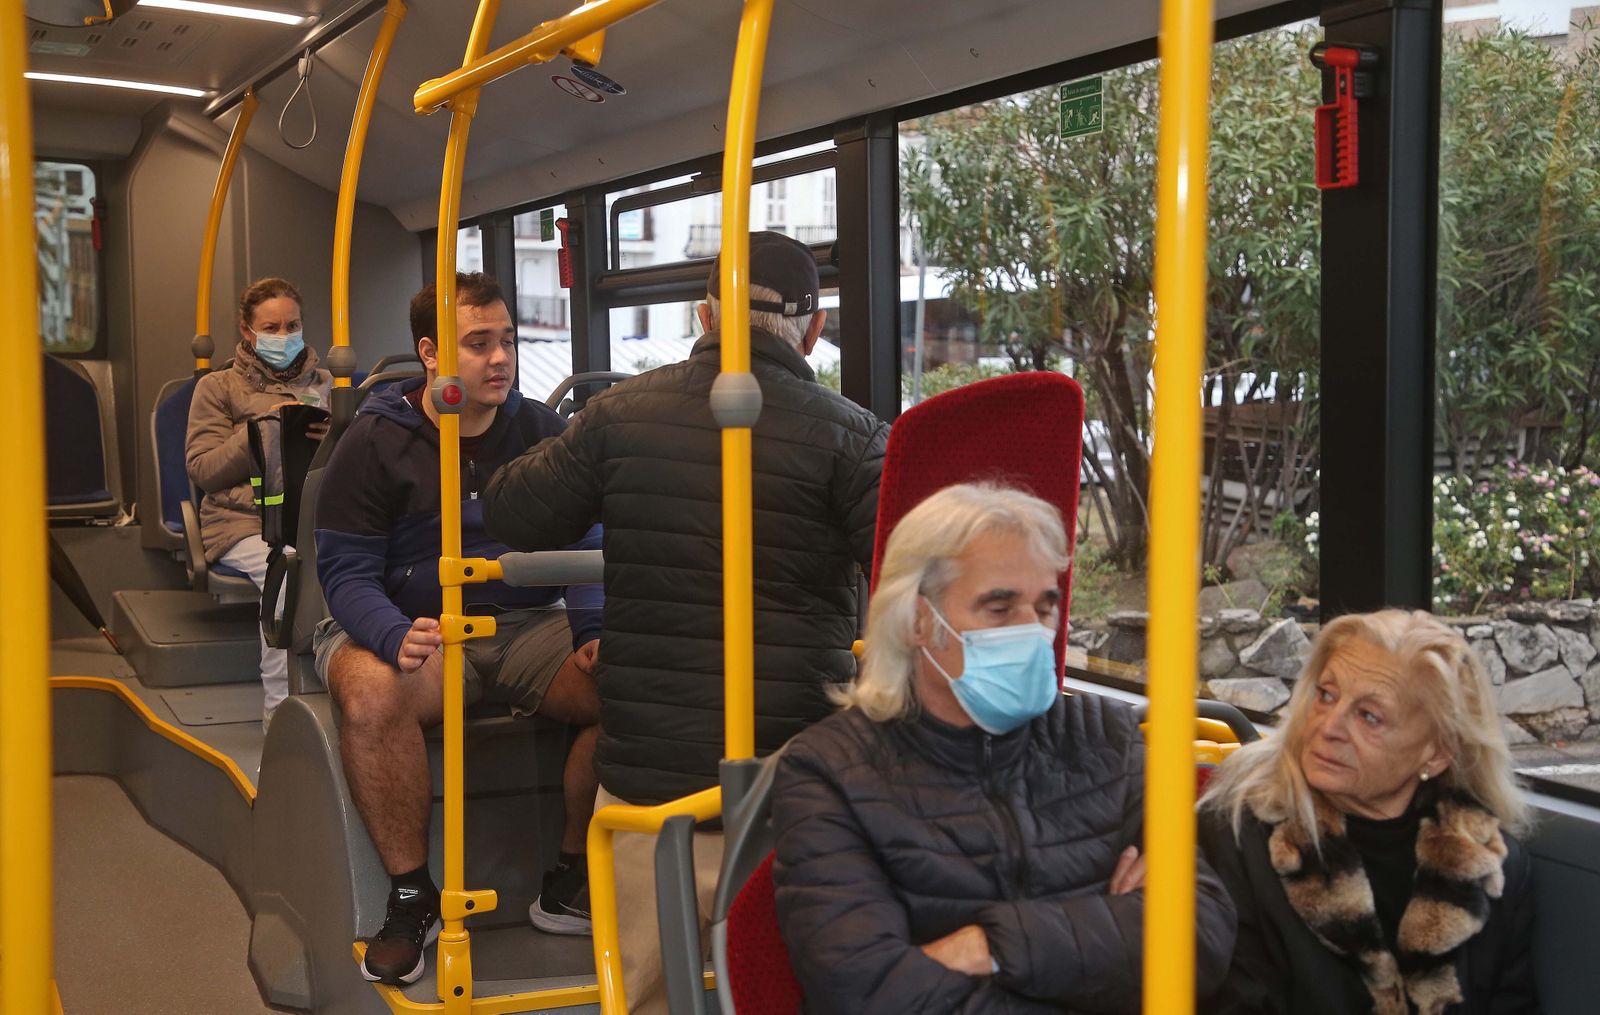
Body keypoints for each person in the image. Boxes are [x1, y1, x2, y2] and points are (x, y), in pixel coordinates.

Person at [482, 230, 889, 1013]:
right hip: (789, 789)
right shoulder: (855, 438)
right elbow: (917, 571)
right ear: (815, 329)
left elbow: (514, 509)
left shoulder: (618, 416)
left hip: (647, 791)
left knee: (645, 996)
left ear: (705, 314)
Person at [773, 483, 1237, 1013]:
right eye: (999, 607)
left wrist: (991, 946)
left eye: (1044, 608)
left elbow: (1202, 937)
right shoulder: (831, 772)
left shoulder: (1106, 738)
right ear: (919, 621)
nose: (1033, 632)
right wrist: (1105, 931)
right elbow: (869, 994)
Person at [313, 272, 603, 986]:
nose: (499, 357)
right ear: (432, 354)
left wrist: (595, 623)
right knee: (369, 690)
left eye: (507, 340)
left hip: (525, 622)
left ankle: (571, 877)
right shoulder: (374, 441)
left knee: (637, 678)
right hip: (420, 626)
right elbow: (345, 569)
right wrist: (388, 633)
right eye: (478, 344)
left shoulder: (540, 432)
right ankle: (413, 895)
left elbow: (590, 537)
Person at [1198, 609, 1540, 1015]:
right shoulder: (1238, 832)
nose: (1328, 726)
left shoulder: (1490, 867)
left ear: (1438, 752)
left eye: (1369, 716)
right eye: (1326, 695)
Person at [187, 277, 331, 729]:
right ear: (248, 333)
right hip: (241, 523)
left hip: (310, 519)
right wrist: (260, 432)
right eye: (271, 327)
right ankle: (281, 721)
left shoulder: (328, 383)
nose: (284, 335)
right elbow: (204, 468)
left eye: (292, 325)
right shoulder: (217, 388)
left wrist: (335, 440)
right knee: (286, 576)